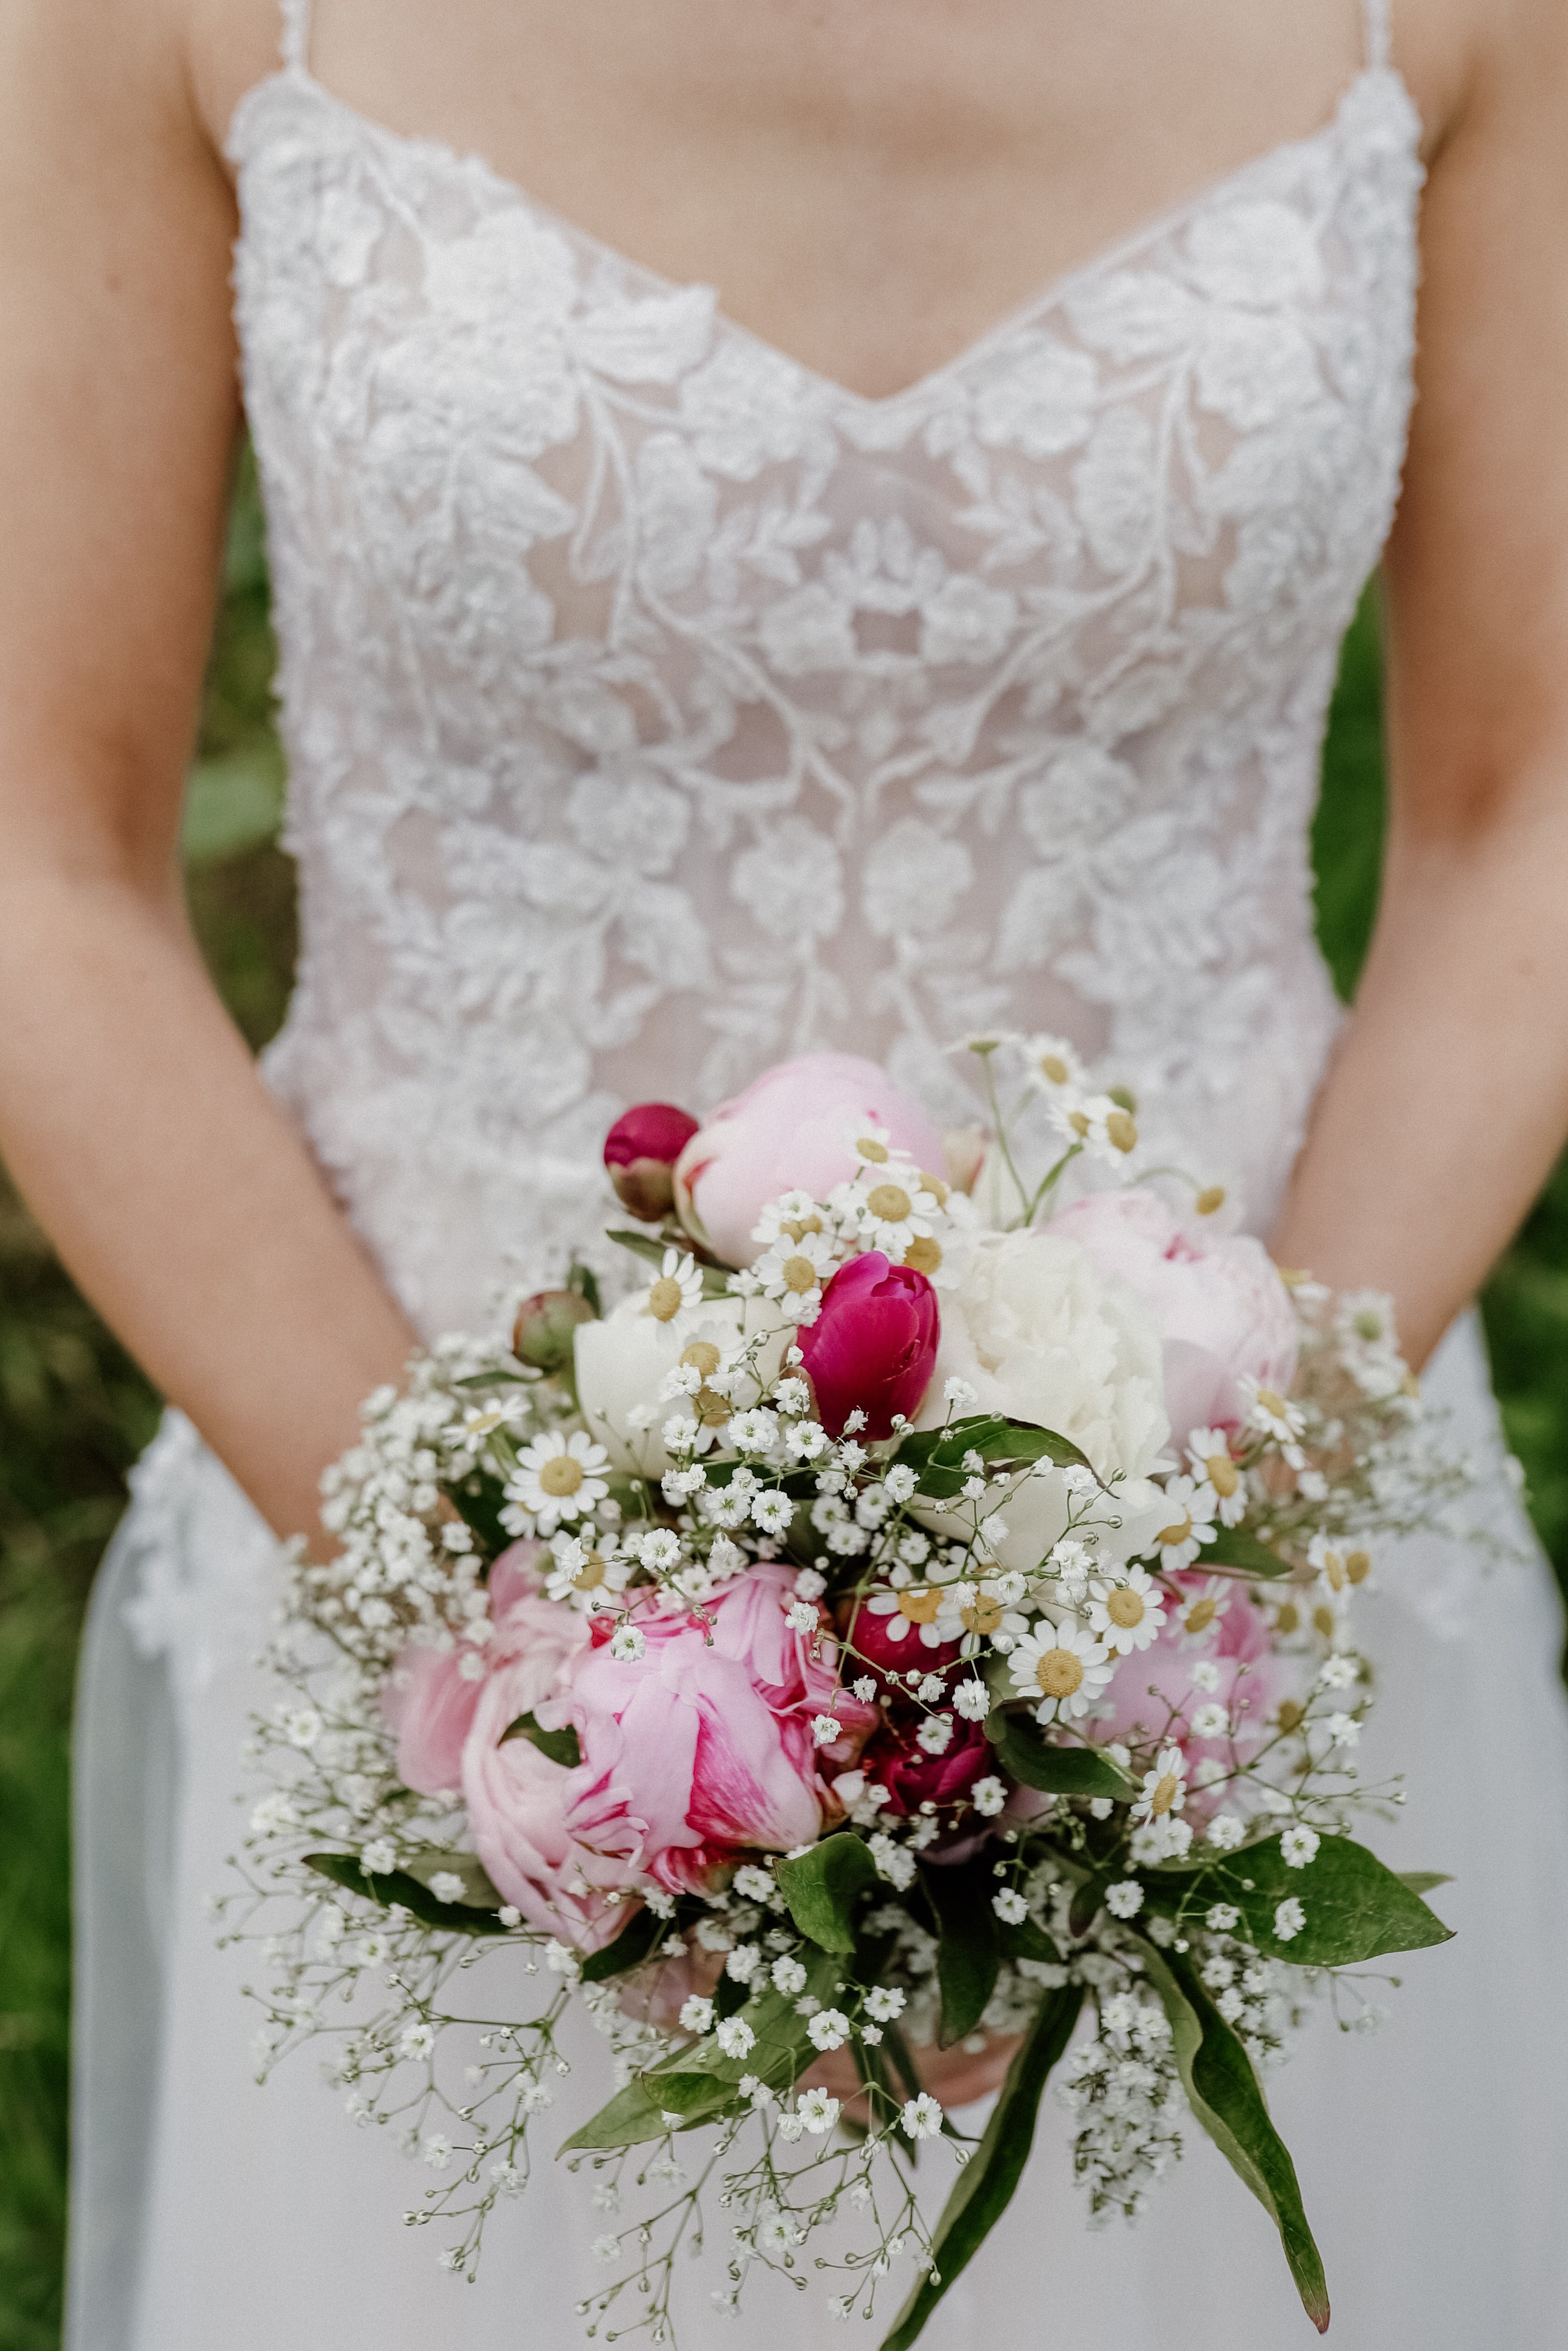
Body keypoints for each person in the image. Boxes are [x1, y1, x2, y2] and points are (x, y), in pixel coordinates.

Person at [1, 0, 1567, 2340]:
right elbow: (41, 860)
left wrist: (1174, 1626)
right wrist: (550, 1684)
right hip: (414, 1569)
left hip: (1254, 1612)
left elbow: (1521, 804)